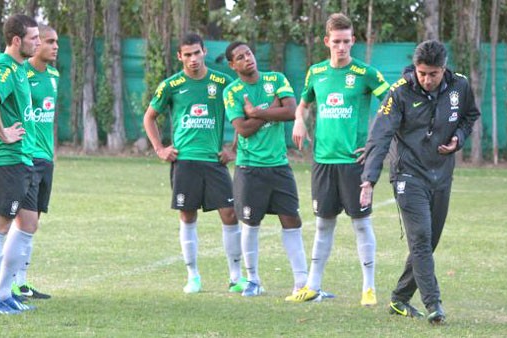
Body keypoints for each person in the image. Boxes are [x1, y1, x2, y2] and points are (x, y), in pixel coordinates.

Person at [360, 40, 480, 324]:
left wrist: (458, 139)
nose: (426, 79)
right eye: (421, 73)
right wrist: (369, 180)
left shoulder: (460, 86)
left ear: (444, 69)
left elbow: (470, 116)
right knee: (421, 239)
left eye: (433, 74)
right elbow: (380, 136)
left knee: (427, 242)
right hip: (408, 175)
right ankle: (433, 304)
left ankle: (400, 298)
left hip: (441, 174)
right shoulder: (399, 92)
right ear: (415, 68)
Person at [288, 13, 390, 305]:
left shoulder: (366, 74)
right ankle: (313, 286)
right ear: (327, 42)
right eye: (336, 42)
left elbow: (392, 105)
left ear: (353, 41)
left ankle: (368, 288)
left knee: (361, 224)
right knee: (323, 224)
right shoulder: (316, 72)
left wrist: (374, 142)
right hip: (322, 161)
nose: (342, 47)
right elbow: (304, 104)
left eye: (347, 41)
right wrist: (299, 120)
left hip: (354, 162)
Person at [143, 33, 246, 294]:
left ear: (205, 51)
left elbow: (242, 113)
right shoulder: (171, 85)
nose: (192, 59)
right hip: (185, 161)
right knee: (187, 215)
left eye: (196, 53)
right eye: (187, 55)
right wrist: (159, 148)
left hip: (214, 161)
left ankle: (236, 277)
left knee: (230, 214)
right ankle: (193, 276)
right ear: (180, 57)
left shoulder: (223, 81)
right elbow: (149, 117)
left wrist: (233, 149)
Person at [223, 41, 308, 297]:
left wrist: (256, 112)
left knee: (292, 220)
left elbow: (292, 112)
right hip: (249, 169)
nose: (247, 58)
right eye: (240, 57)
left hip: (279, 166)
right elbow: (243, 129)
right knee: (250, 223)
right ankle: (253, 280)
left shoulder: (276, 78)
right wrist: (272, 109)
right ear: (232, 65)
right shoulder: (232, 91)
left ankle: (302, 282)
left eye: (248, 53)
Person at [0, 14, 40, 314]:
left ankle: (3, 294)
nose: (38, 43)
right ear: (17, 40)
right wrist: (2, 134)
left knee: (27, 224)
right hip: (6, 159)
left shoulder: (19, 69)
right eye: (33, 39)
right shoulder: (4, 67)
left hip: (24, 159)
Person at [10, 24, 59, 301]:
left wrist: (53, 153)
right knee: (21, 223)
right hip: (25, 157)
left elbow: (47, 119)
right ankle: (8, 282)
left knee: (32, 224)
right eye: (49, 41)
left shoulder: (53, 75)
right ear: (36, 43)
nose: (54, 47)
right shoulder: (20, 74)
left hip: (45, 159)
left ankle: (21, 282)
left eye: (56, 42)